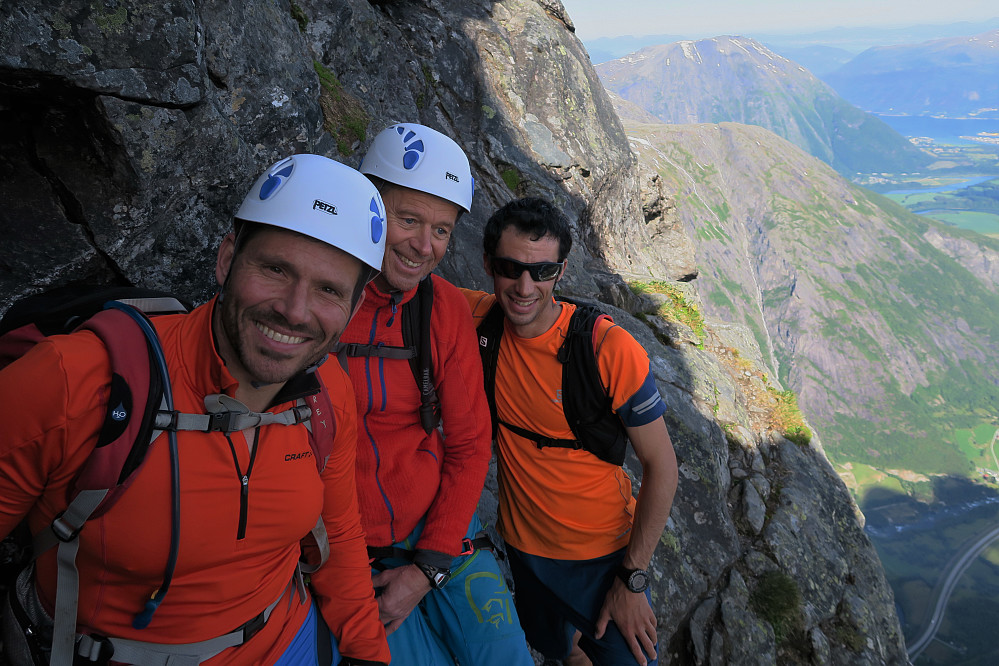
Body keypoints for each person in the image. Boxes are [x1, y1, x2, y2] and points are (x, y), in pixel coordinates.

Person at [0, 155, 391, 665]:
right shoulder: (76, 381)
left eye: (328, 290)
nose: (295, 311)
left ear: (353, 309)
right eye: (275, 269)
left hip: (286, 637)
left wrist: (367, 653)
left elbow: (338, 531)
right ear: (228, 257)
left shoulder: (326, 392)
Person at [336, 123, 533, 665]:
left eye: (442, 231)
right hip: (350, 553)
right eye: (408, 220)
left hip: (441, 529)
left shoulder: (441, 309)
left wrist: (429, 567)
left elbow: (471, 442)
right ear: (369, 205)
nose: (425, 246)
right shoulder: (323, 299)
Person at [462, 198, 679, 666]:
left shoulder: (607, 348)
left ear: (560, 272)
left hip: (602, 560)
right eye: (509, 268)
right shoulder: (477, 320)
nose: (524, 286)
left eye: (542, 271)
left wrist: (631, 580)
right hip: (522, 552)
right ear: (487, 264)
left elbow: (663, 467)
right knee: (560, 649)